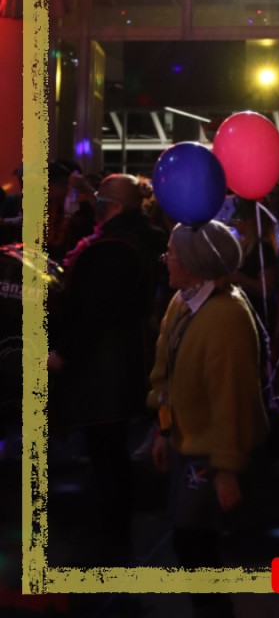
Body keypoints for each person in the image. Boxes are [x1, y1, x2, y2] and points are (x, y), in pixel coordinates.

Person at [147, 220, 268, 618]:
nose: (166, 260)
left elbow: (232, 398)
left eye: (171, 254)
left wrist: (226, 468)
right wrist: (163, 428)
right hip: (188, 441)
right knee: (192, 542)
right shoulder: (182, 301)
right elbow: (165, 371)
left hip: (210, 451)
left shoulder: (225, 316)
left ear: (193, 263)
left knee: (192, 541)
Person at [47, 172, 163, 564]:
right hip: (121, 359)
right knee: (110, 452)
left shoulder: (114, 248)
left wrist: (65, 351)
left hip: (103, 367)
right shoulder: (138, 238)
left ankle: (112, 538)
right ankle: (111, 530)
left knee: (107, 454)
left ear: (110, 204)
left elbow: (92, 313)